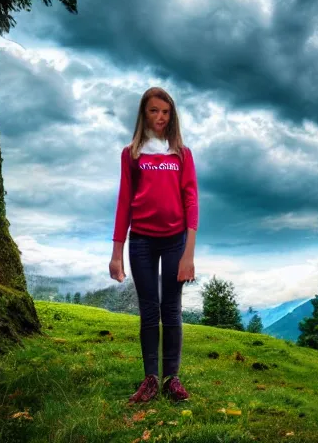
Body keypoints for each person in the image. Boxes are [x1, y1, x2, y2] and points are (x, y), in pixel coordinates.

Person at [108, 86, 199, 403]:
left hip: (175, 241)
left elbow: (191, 201)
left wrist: (189, 253)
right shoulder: (131, 154)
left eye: (165, 112)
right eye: (153, 111)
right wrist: (116, 254)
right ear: (143, 114)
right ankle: (150, 379)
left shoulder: (182, 154)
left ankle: (172, 379)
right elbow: (124, 204)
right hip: (142, 242)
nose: (160, 117)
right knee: (149, 311)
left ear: (171, 115)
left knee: (171, 309)